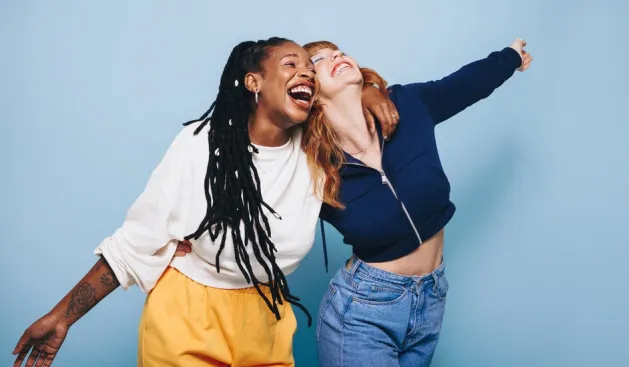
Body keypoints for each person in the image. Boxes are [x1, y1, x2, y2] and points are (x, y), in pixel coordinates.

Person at [12, 37, 399, 367]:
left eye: (311, 73)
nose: (307, 74)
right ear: (254, 82)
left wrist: (369, 88)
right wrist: (61, 317)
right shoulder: (203, 146)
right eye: (290, 64)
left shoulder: (315, 149)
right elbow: (137, 242)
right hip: (187, 313)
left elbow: (348, 92)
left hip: (267, 317)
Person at [302, 38, 532, 366]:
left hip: (431, 297)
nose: (336, 55)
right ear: (308, 92)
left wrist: (510, 57)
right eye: (320, 59)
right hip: (362, 312)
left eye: (338, 51)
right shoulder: (312, 165)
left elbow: (464, 85)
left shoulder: (407, 104)